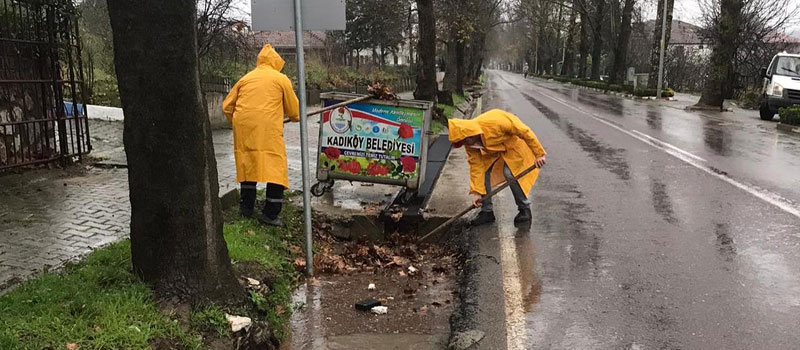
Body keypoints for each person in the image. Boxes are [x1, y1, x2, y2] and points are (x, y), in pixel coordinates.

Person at [222, 44, 299, 227]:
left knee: (248, 163)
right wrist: (294, 117)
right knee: (276, 167)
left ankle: (246, 208)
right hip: (267, 129)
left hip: (243, 127)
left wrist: (237, 122)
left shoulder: (245, 78)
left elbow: (226, 107)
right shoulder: (281, 79)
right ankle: (271, 214)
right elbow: (294, 110)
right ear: (276, 62)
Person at [448, 109, 547, 226]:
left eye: (466, 141)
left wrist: (539, 154)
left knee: (510, 173)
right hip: (494, 151)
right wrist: (477, 193)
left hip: (514, 145)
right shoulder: (469, 143)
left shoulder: (495, 121)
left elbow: (524, 131)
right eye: (464, 143)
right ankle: (487, 212)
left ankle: (524, 209)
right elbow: (476, 166)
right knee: (483, 171)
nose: (467, 144)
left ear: (470, 134)